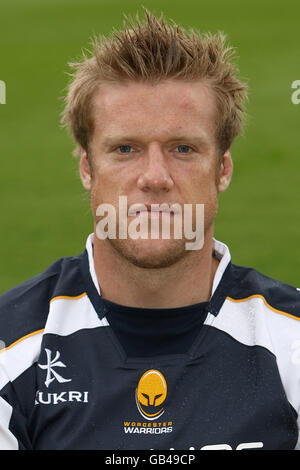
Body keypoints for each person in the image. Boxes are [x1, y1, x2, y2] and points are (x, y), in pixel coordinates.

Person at [0, 10, 300, 451]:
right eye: (126, 149)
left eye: (183, 148)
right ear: (87, 167)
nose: (155, 177)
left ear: (222, 167)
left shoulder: (291, 343)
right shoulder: (11, 350)